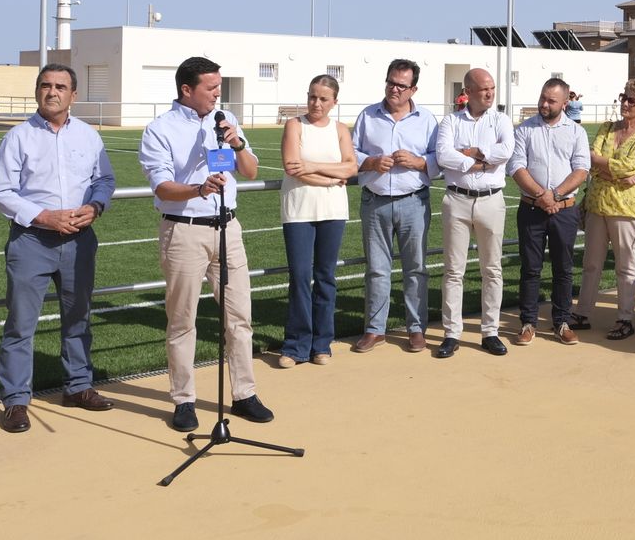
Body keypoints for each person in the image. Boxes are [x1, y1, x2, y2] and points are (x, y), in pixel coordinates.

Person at [138, 56, 273, 431]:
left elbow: (250, 170)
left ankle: (244, 393)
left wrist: (239, 142)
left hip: (228, 228)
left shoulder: (225, 120)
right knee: (182, 321)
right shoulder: (159, 130)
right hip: (183, 231)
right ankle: (183, 401)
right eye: (211, 88)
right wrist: (198, 188)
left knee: (239, 317)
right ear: (186, 89)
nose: (218, 94)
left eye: (219, 87)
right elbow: (162, 186)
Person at [0, 64, 116, 433]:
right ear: (36, 91)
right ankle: (15, 401)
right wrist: (44, 217)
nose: (52, 92)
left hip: (79, 242)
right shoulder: (18, 137)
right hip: (31, 242)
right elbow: (1, 192)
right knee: (20, 325)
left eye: (60, 86)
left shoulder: (89, 136)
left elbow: (104, 179)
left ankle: (78, 386)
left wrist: (95, 207)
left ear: (74, 95)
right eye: (45, 85)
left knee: (78, 318)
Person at [351, 59, 439, 354]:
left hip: (414, 201)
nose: (394, 89)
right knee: (377, 269)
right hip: (374, 202)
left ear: (413, 88)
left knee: (416, 269)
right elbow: (351, 152)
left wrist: (418, 162)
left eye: (402, 85)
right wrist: (371, 162)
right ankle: (375, 330)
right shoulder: (368, 115)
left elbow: (438, 158)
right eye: (391, 82)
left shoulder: (427, 120)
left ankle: (416, 329)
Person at [277, 75, 356, 368]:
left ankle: (322, 344)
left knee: (325, 277)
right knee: (299, 276)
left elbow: (350, 166)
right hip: (299, 210)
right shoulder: (294, 125)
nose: (316, 103)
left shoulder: (340, 129)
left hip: (333, 211)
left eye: (323, 99)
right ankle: (296, 345)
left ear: (334, 101)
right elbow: (293, 168)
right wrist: (330, 178)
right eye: (312, 97)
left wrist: (315, 166)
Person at [434, 68, 513, 358]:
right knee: (454, 270)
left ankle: (490, 331)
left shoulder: (501, 119)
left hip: (491, 201)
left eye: (492, 88)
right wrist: (480, 160)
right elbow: (444, 155)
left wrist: (470, 154)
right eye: (483, 89)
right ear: (468, 91)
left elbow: (506, 150)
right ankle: (451, 333)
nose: (490, 93)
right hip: (457, 201)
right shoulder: (451, 121)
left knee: (492, 269)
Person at [509, 77, 591, 346]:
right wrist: (540, 195)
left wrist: (554, 195)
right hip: (531, 209)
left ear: (565, 103)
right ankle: (528, 322)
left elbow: (581, 170)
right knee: (530, 269)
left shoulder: (576, 132)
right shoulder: (524, 129)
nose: (544, 104)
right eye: (542, 98)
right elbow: (517, 167)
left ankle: (562, 322)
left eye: (551, 100)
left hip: (564, 210)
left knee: (563, 269)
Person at [578, 79, 635, 340]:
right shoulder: (607, 127)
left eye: (631, 100)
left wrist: (607, 168)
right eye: (624, 97)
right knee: (591, 263)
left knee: (625, 266)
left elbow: (629, 166)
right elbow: (590, 160)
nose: (625, 103)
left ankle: (625, 318)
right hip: (597, 206)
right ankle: (583, 312)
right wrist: (616, 172)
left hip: (627, 209)